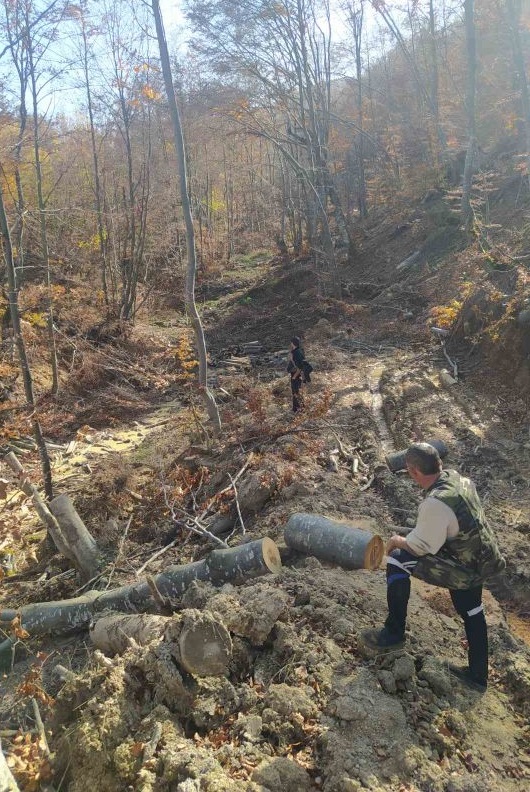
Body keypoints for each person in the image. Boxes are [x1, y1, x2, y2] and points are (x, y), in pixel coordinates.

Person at [360, 442, 505, 693]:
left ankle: (393, 634)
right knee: (471, 611)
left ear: (414, 471)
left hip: (465, 567)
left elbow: (419, 547)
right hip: (483, 557)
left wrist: (396, 541)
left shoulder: (435, 503)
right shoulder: (458, 479)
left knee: (398, 559)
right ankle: (478, 676)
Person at [287, 336, 307, 413]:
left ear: (292, 343)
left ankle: (301, 409)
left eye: (291, 343)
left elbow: (300, 367)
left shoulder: (297, 352)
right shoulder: (298, 351)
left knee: (296, 392)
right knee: (295, 392)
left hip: (296, 375)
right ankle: (295, 408)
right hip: (295, 375)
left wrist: (294, 377)